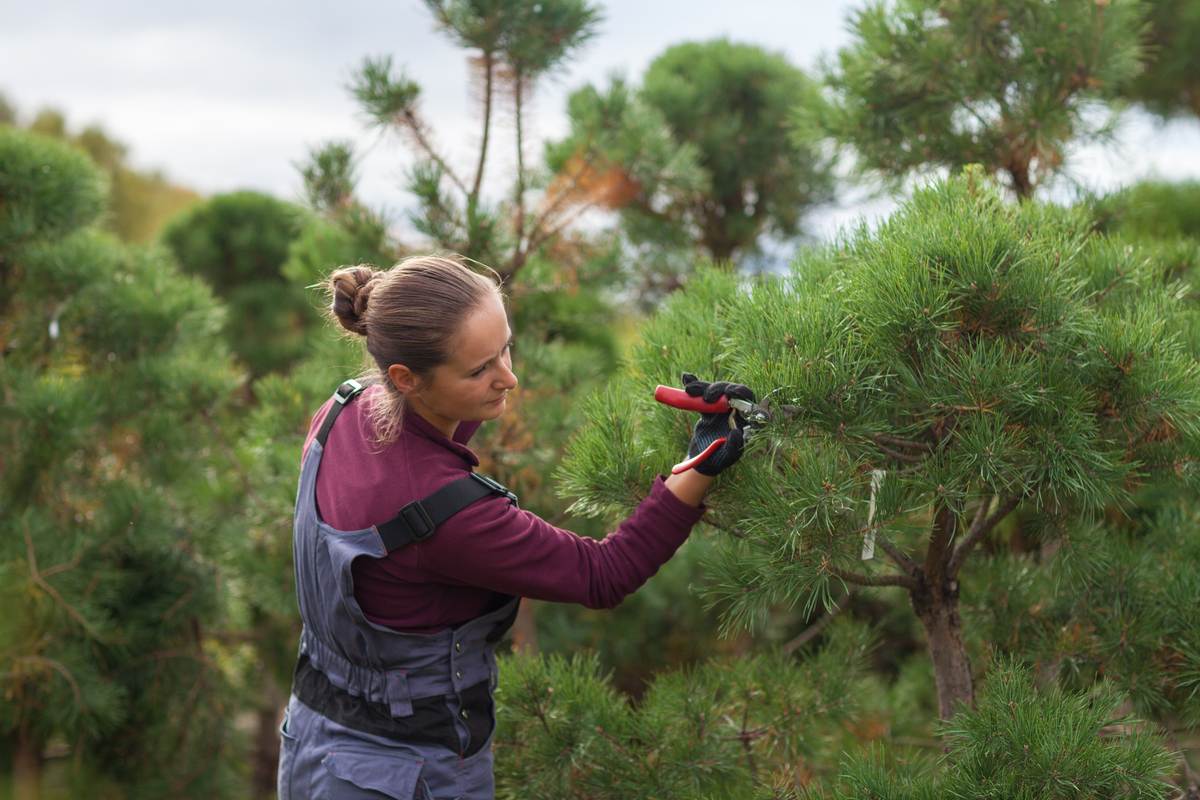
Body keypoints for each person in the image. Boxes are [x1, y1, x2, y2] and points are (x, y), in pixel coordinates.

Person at [276, 254, 756, 799]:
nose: (510, 376)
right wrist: (698, 467)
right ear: (405, 378)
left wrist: (477, 378)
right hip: (409, 776)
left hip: (314, 746)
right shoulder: (449, 515)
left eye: (504, 346)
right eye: (480, 369)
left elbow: (427, 439)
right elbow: (604, 573)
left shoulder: (341, 411)